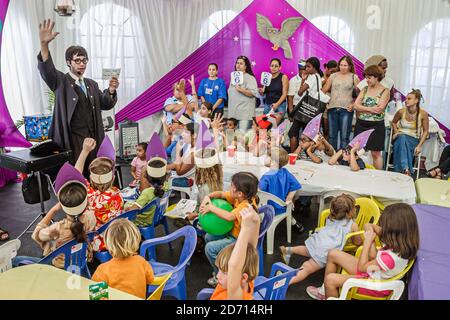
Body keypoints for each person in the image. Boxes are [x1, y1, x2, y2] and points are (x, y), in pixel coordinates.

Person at [37, 20, 119, 177]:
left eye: (84, 60)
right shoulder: (60, 81)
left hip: (94, 137)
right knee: (77, 175)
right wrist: (44, 45)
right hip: (73, 139)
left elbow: (106, 103)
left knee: (94, 173)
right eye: (77, 61)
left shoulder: (92, 84)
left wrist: (111, 90)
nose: (82, 64)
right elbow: (47, 70)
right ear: (69, 62)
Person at [307, 203, 419, 300]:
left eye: (384, 225)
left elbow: (362, 267)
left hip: (373, 284)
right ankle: (324, 292)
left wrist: (368, 241)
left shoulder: (390, 258)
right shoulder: (403, 240)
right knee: (333, 253)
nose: (382, 228)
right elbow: (368, 226)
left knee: (330, 280)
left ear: (393, 229)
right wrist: (371, 234)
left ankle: (329, 293)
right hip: (373, 270)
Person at [12, 163, 96, 268]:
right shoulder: (91, 217)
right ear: (86, 202)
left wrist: (53, 210)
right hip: (82, 262)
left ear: (62, 205)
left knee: (16, 260)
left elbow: (36, 235)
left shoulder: (57, 228)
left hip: (60, 267)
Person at [280, 194, 361, 286]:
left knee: (306, 250)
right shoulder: (352, 225)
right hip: (324, 252)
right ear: (350, 211)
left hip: (317, 242)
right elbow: (357, 242)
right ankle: (285, 283)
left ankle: (288, 250)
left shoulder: (330, 217)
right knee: (306, 268)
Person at [200, 172, 259, 286]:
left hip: (239, 240)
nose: (230, 187)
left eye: (232, 186)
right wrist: (209, 196)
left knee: (209, 249)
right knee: (208, 237)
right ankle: (223, 263)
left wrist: (211, 207)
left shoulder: (246, 206)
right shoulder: (239, 197)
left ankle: (222, 275)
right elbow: (221, 194)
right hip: (232, 232)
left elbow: (229, 217)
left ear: (240, 193)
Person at [75, 137, 124, 252]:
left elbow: (75, 175)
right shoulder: (117, 194)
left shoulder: (89, 195)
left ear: (91, 178)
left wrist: (85, 151)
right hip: (115, 238)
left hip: (97, 242)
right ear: (113, 178)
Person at [92, 219, 155, 299]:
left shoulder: (102, 270)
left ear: (107, 245)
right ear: (136, 241)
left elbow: (96, 297)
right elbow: (150, 279)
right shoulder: (141, 261)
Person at [210, 206, 260, 300]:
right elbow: (250, 248)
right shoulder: (247, 279)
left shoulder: (235, 296)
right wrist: (256, 222)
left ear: (243, 278)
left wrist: (245, 229)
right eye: (219, 270)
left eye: (224, 273)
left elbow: (234, 266)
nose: (217, 276)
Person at [124, 134, 169, 227]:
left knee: (124, 204)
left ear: (147, 177)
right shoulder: (167, 185)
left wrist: (126, 208)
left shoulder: (147, 193)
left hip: (143, 221)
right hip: (158, 216)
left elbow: (132, 210)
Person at [351, 66, 390, 170]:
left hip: (376, 125)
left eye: (369, 78)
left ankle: (378, 176)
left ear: (377, 77)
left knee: (375, 153)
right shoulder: (364, 89)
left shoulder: (385, 91)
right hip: (361, 123)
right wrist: (371, 109)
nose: (366, 80)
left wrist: (362, 108)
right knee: (356, 150)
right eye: (366, 78)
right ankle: (356, 171)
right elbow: (355, 105)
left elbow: (379, 110)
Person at [260, 147, 304, 232]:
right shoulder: (285, 172)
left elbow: (259, 192)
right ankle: (295, 224)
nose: (264, 158)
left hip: (269, 209)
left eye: (267, 156)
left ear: (272, 162)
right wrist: (289, 198)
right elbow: (296, 184)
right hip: (283, 206)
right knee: (288, 212)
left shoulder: (266, 177)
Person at [288, 57, 326, 153]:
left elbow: (300, 92)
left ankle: (293, 155)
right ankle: (305, 155)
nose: (306, 69)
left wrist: (303, 80)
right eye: (306, 67)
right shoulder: (318, 76)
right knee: (307, 135)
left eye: (309, 67)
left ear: (315, 68)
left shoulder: (312, 78)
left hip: (305, 109)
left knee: (292, 132)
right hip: (312, 110)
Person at [322, 56, 361, 150]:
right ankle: (332, 157)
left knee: (344, 136)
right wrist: (326, 102)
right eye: (341, 65)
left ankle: (343, 159)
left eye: (345, 65)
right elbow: (324, 90)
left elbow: (361, 94)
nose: (343, 67)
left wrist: (354, 105)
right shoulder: (333, 76)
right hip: (332, 108)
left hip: (346, 109)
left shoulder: (354, 77)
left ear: (350, 66)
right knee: (332, 135)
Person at [392, 89, 429, 176]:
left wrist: (419, 146)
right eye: (406, 98)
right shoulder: (401, 111)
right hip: (399, 138)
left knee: (403, 140)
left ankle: (402, 169)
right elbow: (393, 122)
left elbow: (426, 131)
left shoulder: (423, 114)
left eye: (409, 99)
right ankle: (406, 169)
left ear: (416, 100)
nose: (406, 100)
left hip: (413, 140)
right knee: (402, 137)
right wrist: (396, 132)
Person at [227, 56, 258, 132]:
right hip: (233, 115)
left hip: (244, 115)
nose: (238, 65)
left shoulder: (250, 78)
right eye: (237, 63)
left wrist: (241, 90)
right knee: (233, 140)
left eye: (241, 63)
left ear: (245, 66)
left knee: (242, 140)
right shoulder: (233, 78)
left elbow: (254, 93)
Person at [166, 123, 197, 188]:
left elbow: (179, 172)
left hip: (187, 180)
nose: (182, 134)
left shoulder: (194, 153)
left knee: (157, 180)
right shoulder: (189, 145)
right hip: (181, 176)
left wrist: (178, 152)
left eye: (185, 132)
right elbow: (179, 162)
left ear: (194, 135)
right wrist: (164, 168)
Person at [259, 58, 289, 125]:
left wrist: (276, 104)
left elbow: (285, 94)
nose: (273, 68)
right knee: (265, 126)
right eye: (272, 66)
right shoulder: (267, 77)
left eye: (276, 66)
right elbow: (263, 94)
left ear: (280, 67)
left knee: (274, 126)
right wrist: (261, 91)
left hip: (280, 105)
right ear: (270, 67)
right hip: (268, 105)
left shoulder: (283, 77)